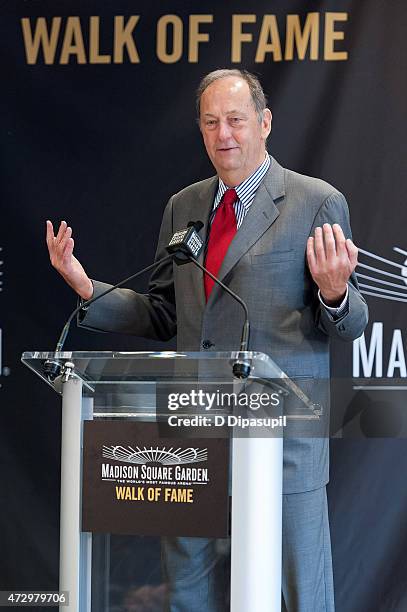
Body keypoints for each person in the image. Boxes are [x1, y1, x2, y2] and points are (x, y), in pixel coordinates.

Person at [46, 69, 368, 611]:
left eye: (237, 121)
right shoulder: (185, 206)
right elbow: (165, 313)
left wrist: (335, 293)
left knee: (302, 595)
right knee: (189, 591)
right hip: (195, 436)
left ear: (265, 124)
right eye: (212, 122)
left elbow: (351, 321)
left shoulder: (314, 202)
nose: (225, 135)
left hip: (282, 441)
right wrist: (87, 289)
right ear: (200, 130)